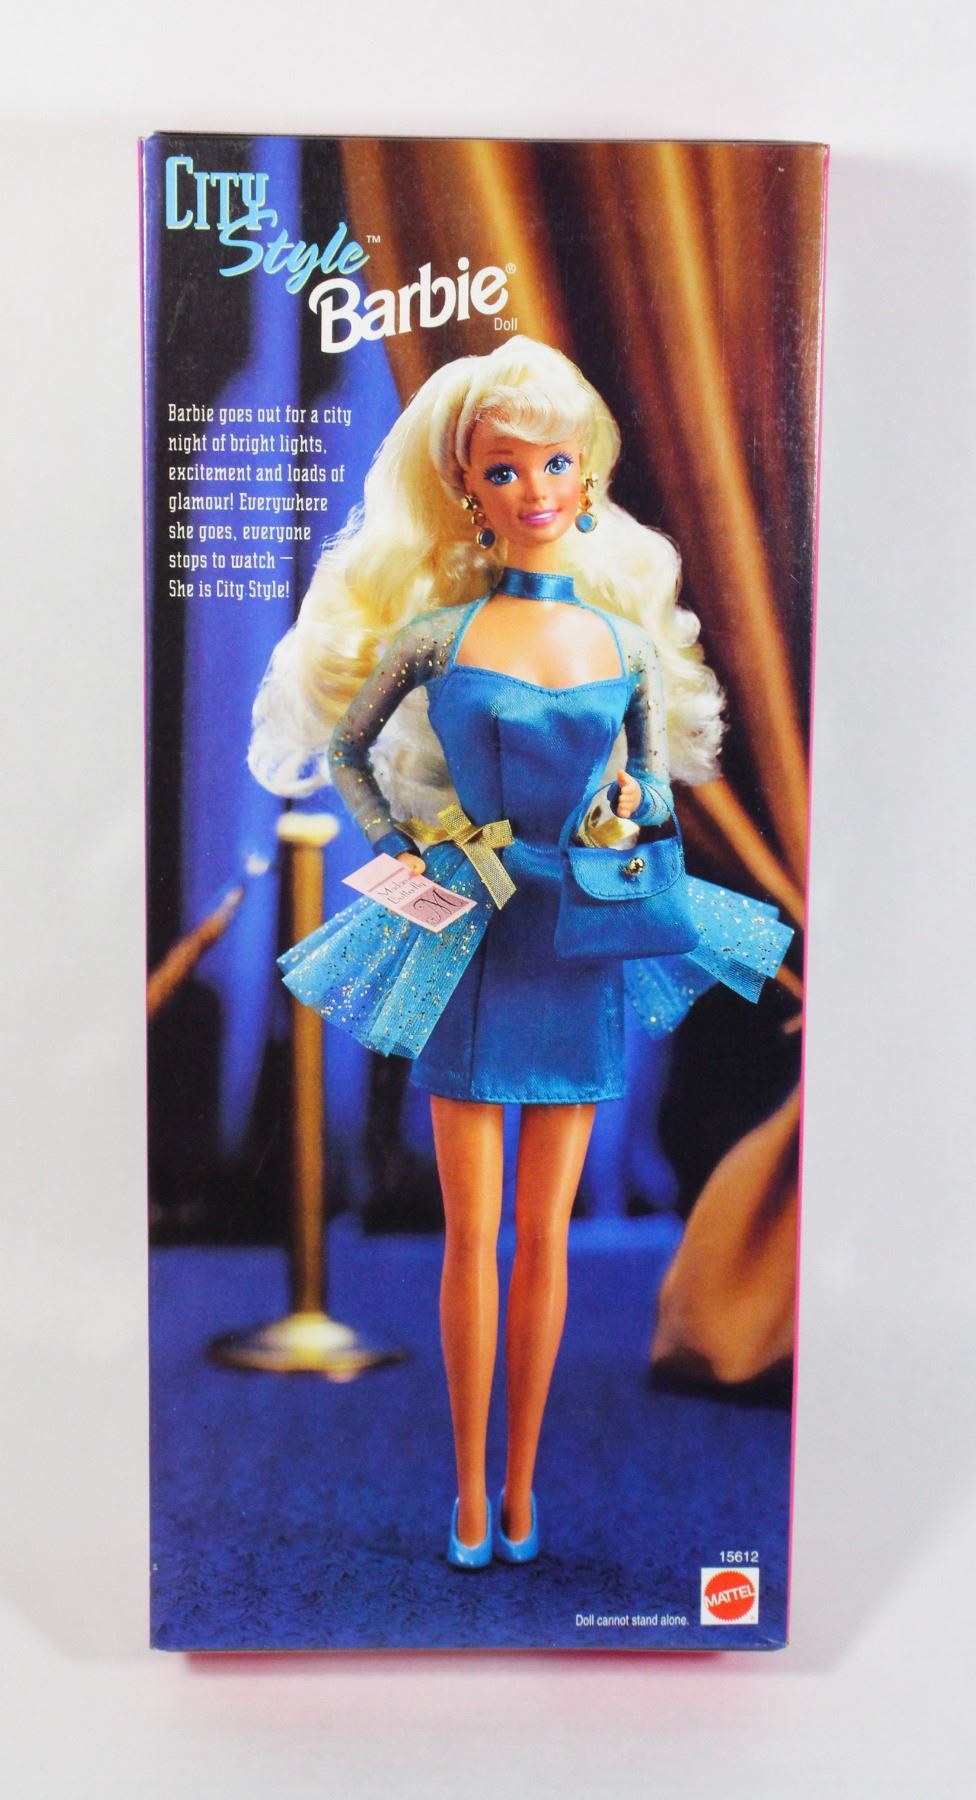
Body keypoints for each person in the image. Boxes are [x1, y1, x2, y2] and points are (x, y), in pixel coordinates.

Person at [248, 337, 792, 1568]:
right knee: (470, 1232)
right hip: (472, 926)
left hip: (577, 934)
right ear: (467, 488)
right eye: (505, 469)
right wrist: (404, 844)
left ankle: (523, 1487)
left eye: (554, 462)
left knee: (544, 1234)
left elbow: (650, 792)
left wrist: (628, 819)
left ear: (586, 476)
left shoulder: (622, 648)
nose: (535, 488)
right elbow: (348, 753)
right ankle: (463, 1487)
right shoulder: (438, 639)